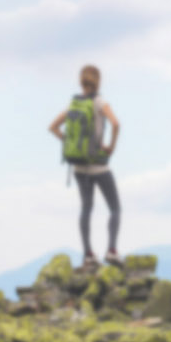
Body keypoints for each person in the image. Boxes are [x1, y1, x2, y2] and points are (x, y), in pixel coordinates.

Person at [48, 64, 122, 267]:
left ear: (81, 81)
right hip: (99, 166)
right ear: (98, 81)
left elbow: (52, 127)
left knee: (86, 209)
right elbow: (116, 124)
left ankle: (88, 254)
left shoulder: (73, 105)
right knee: (115, 208)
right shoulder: (99, 102)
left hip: (79, 167)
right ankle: (112, 251)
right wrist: (111, 147)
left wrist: (68, 142)